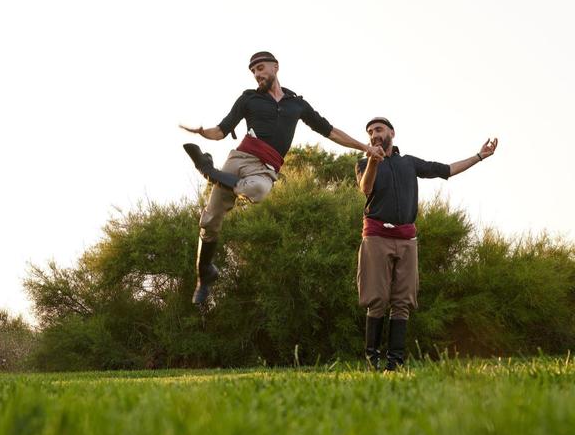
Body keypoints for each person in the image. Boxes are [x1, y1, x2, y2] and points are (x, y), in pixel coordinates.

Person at [181, 51, 383, 305]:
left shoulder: (296, 104)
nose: (257, 74)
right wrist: (202, 132)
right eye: (253, 71)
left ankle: (209, 171)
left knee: (258, 191)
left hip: (265, 168)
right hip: (239, 159)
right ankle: (204, 275)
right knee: (209, 220)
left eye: (261, 68)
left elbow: (330, 131)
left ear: (275, 67)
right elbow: (221, 130)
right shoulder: (248, 99)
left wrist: (365, 148)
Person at [355, 116, 498, 370]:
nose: (374, 134)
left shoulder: (409, 163)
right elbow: (366, 189)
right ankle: (372, 359)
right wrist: (374, 162)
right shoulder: (364, 163)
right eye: (369, 132)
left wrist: (479, 156)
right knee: (376, 298)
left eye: (378, 129)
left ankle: (395, 362)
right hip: (376, 236)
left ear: (392, 133)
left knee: (403, 301)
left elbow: (447, 170)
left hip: (407, 239)